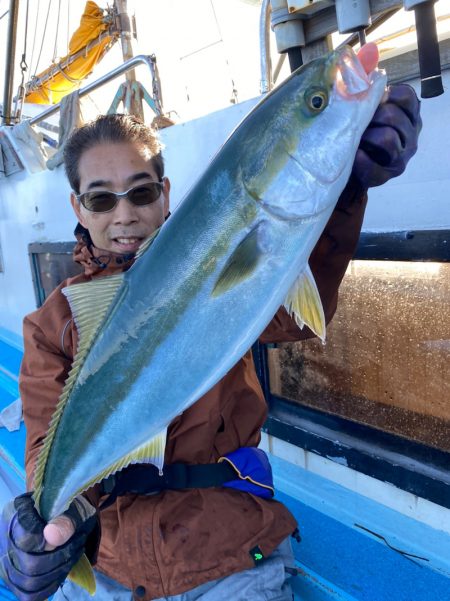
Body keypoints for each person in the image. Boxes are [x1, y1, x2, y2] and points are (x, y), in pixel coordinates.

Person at [1, 44, 422, 601]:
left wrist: (349, 189)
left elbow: (295, 308)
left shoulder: (226, 251)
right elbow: (42, 445)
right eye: (101, 200)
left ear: (165, 193)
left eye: (142, 192)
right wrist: (42, 525)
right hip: (110, 567)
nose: (124, 213)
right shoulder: (51, 322)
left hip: (230, 553)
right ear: (78, 209)